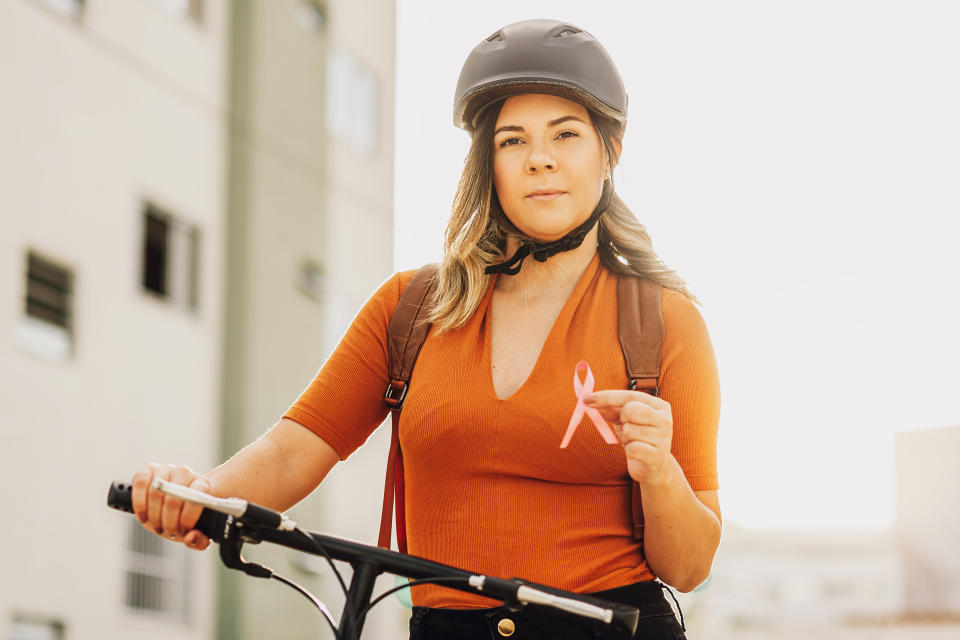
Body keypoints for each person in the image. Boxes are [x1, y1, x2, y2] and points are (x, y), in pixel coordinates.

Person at [131, 18, 721, 640]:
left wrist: (661, 474)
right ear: (488, 163)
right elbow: (292, 450)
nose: (540, 158)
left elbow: (689, 565)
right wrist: (204, 497)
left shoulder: (665, 324)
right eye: (512, 140)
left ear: (610, 151)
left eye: (566, 134)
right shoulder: (412, 309)